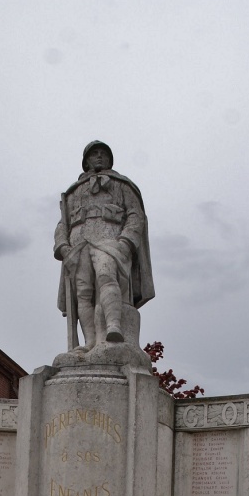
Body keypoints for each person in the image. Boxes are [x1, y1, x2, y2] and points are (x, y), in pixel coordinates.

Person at [54, 141, 155, 352]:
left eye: (103, 153)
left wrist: (126, 242)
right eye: (94, 154)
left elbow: (136, 216)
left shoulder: (122, 185)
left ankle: (113, 327)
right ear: (86, 161)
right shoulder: (73, 191)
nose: (99, 157)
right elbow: (62, 223)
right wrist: (62, 245)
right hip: (78, 243)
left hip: (110, 238)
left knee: (106, 275)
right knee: (83, 292)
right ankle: (90, 342)